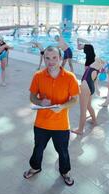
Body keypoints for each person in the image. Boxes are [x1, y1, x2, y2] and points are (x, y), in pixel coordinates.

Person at [23, 46, 80, 186]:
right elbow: (32, 96)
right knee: (38, 148)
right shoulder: (38, 76)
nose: (51, 61)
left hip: (61, 125)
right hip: (41, 123)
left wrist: (62, 107)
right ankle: (35, 167)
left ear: (60, 59)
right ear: (44, 59)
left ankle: (65, 172)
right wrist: (39, 102)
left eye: (55, 58)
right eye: (47, 58)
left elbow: (74, 99)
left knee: (63, 151)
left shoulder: (70, 77)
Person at [72, 58, 105, 135]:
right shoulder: (98, 68)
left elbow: (97, 58)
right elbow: (95, 81)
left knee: (83, 111)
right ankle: (94, 121)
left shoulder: (95, 64)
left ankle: (80, 130)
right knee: (89, 106)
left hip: (85, 88)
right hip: (90, 87)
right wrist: (97, 89)